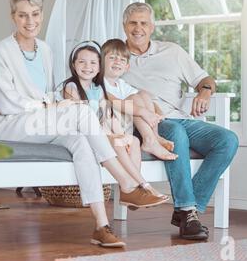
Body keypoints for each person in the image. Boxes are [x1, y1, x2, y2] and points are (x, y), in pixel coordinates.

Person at [0, 0, 161, 248]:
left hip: (39, 121)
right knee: (79, 110)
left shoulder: (44, 50)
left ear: (42, 16)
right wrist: (50, 105)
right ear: (13, 17)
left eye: (34, 14)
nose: (30, 21)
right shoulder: (0, 51)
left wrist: (54, 105)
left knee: (80, 141)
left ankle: (101, 226)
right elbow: (5, 102)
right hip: (8, 123)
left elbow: (47, 92)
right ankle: (126, 182)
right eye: (23, 16)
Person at [121, 2, 239, 240]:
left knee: (227, 139)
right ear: (124, 26)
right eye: (133, 22)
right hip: (145, 123)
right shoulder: (116, 55)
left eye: (144, 23)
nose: (138, 28)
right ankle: (187, 210)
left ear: (152, 26)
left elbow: (205, 79)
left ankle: (188, 210)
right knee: (174, 131)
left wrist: (204, 93)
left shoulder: (172, 51)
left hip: (180, 119)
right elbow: (102, 88)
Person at [61, 40, 169, 206]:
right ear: (73, 65)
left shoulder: (98, 89)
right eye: (81, 62)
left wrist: (121, 134)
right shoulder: (71, 87)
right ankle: (143, 185)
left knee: (133, 141)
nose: (87, 66)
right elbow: (81, 118)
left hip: (102, 131)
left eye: (92, 63)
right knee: (117, 142)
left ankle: (132, 191)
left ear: (99, 67)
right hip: (84, 133)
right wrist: (113, 136)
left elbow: (108, 116)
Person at [101, 38, 177, 161]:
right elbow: (113, 100)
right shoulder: (99, 83)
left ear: (126, 67)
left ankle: (154, 136)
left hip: (126, 123)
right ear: (101, 62)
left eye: (122, 60)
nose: (117, 62)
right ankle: (149, 140)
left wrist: (158, 113)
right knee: (134, 99)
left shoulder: (121, 84)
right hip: (112, 125)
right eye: (112, 58)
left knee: (143, 94)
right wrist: (143, 112)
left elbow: (144, 98)